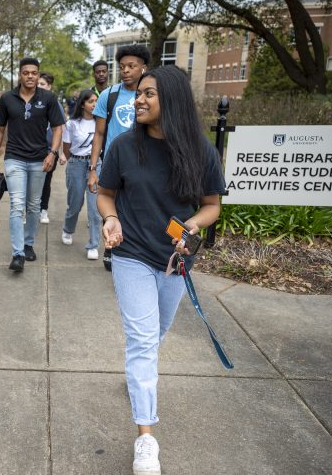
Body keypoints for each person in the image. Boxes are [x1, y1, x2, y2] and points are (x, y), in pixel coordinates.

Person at [96, 66, 225, 475]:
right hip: (131, 254)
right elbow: (105, 194)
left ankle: (138, 381)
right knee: (141, 340)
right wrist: (110, 219)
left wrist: (193, 226)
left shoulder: (200, 151)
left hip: (175, 262)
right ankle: (146, 438)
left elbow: (211, 205)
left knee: (154, 337)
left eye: (149, 94)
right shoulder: (122, 147)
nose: (139, 100)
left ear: (171, 99)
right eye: (139, 94)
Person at [0, 57, 65, 272]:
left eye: (34, 73)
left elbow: (58, 127)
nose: (30, 76)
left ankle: (28, 243)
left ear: (38, 75)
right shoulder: (7, 99)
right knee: (16, 204)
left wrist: (53, 153)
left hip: (39, 159)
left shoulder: (48, 98)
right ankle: (17, 253)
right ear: (19, 74)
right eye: (26, 72)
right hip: (14, 158)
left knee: (33, 205)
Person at [88, 44, 150, 271]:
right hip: (114, 163)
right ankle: (111, 246)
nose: (125, 71)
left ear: (143, 68)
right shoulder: (109, 95)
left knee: (138, 206)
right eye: (122, 66)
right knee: (111, 204)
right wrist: (93, 168)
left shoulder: (151, 95)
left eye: (131, 66)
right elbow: (99, 133)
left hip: (144, 161)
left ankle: (135, 248)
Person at [60, 89, 101, 260]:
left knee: (95, 208)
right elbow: (67, 148)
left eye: (96, 101)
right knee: (75, 204)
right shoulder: (72, 123)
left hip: (96, 165)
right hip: (76, 163)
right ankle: (68, 229)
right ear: (83, 104)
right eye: (91, 101)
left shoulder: (101, 123)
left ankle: (93, 244)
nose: (94, 105)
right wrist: (67, 160)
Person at [37, 72, 66, 224]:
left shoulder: (55, 105)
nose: (39, 87)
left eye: (42, 84)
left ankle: (43, 210)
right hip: (32, 150)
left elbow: (60, 129)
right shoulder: (30, 102)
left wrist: (60, 153)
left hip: (49, 151)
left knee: (45, 182)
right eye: (38, 84)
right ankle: (29, 210)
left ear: (49, 87)